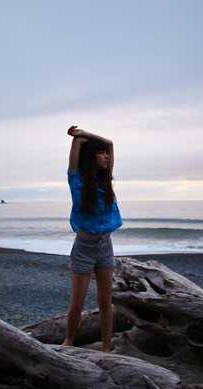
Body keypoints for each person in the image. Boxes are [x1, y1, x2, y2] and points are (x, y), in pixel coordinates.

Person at [62, 125, 122, 353]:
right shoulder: (76, 179)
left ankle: (106, 347)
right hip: (84, 247)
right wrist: (79, 137)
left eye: (105, 154)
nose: (106, 156)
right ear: (90, 156)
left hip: (105, 246)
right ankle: (69, 341)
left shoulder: (106, 179)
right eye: (100, 153)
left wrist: (88, 132)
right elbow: (77, 143)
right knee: (77, 303)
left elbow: (111, 143)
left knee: (106, 301)